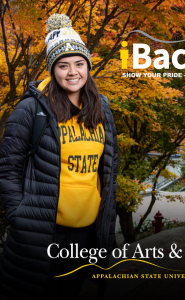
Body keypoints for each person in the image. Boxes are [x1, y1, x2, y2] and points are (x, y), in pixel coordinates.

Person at [0, 13, 118, 300]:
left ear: (88, 67)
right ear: (53, 70)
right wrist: (20, 217)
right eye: (63, 65)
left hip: (87, 235)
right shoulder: (31, 109)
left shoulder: (102, 109)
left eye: (79, 64)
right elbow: (7, 169)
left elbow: (109, 169)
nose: (72, 72)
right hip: (44, 232)